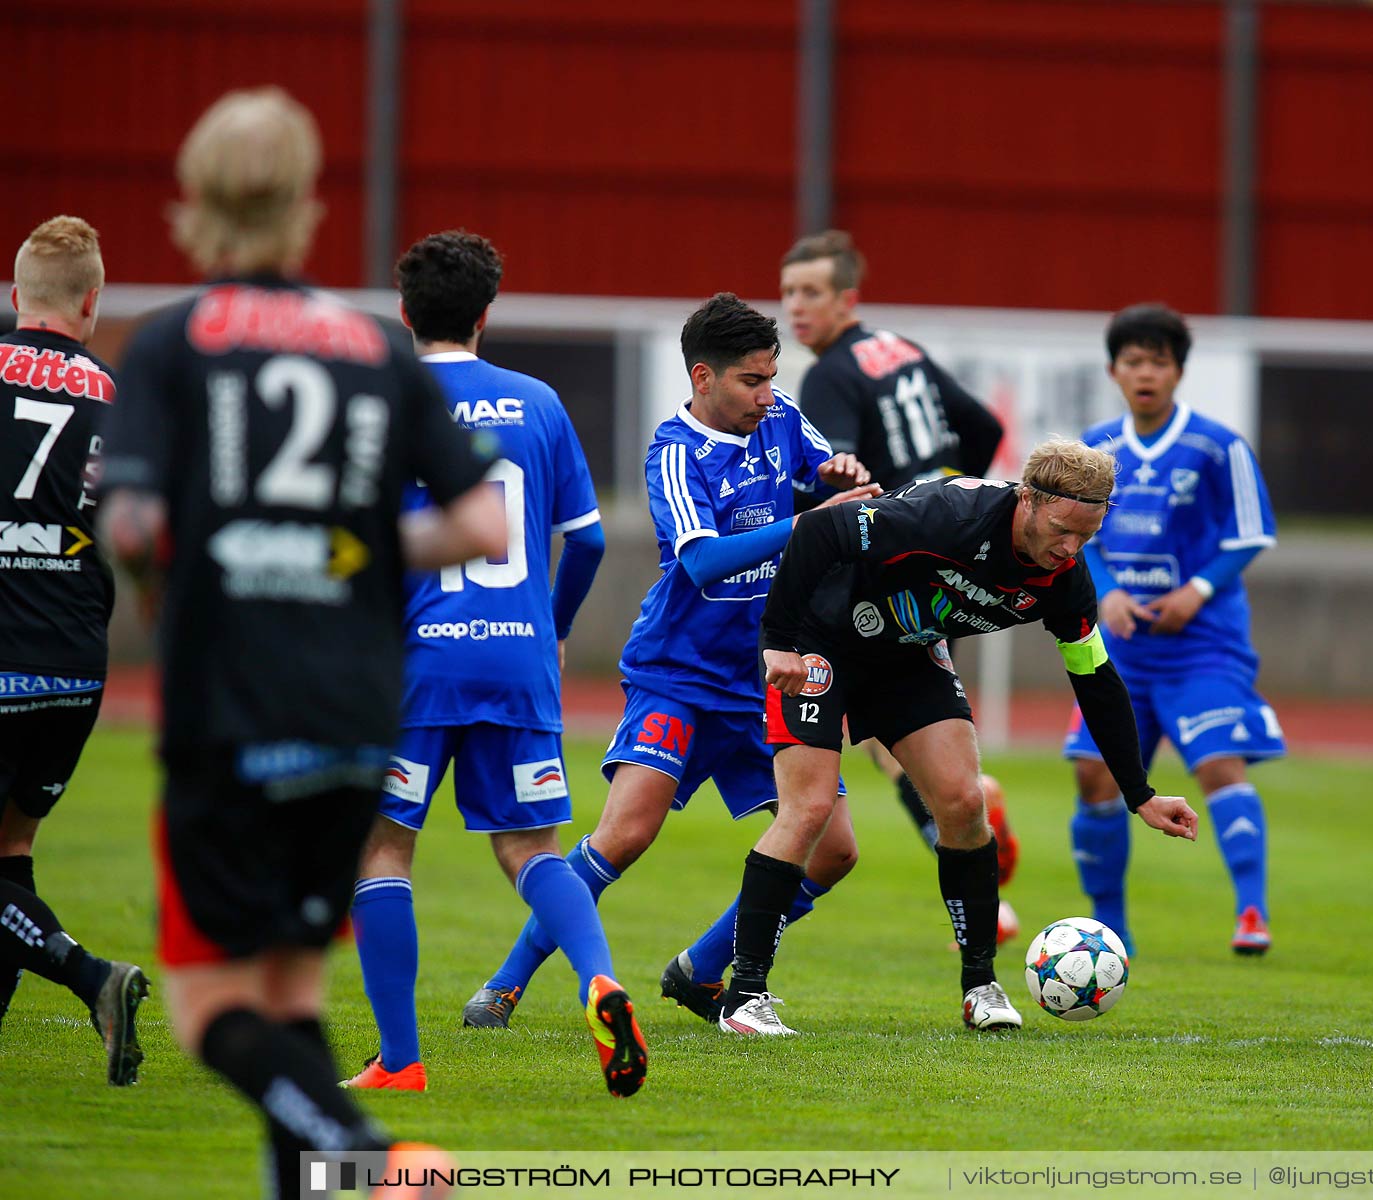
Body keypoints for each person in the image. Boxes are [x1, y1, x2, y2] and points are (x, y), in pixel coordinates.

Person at [98, 87, 506, 1197]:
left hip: (232, 705)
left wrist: (179, 574)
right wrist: (356, 547)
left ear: (193, 200)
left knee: (211, 1012)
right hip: (356, 712)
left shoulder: (173, 344)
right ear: (306, 204)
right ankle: (325, 1175)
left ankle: (371, 1160)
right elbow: (482, 524)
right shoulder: (374, 348)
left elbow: (132, 523)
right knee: (289, 1003)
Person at [460, 293, 874, 1030]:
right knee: (625, 834)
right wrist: (808, 521)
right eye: (752, 380)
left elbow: (828, 474)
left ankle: (701, 969)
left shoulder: (780, 420)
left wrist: (841, 472)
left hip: (765, 674)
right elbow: (706, 565)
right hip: (679, 673)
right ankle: (503, 984)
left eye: (773, 378)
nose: (767, 395)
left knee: (833, 852)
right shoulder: (673, 453)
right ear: (703, 377)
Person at [721, 440, 1200, 1036]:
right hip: (821, 636)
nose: (1070, 550)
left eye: (1086, 537)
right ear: (1027, 499)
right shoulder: (949, 515)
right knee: (810, 808)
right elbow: (822, 532)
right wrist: (778, 640)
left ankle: (981, 986)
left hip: (906, 655)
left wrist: (1140, 793)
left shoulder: (1066, 581)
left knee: (966, 803)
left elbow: (1096, 680)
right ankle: (744, 995)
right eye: (1061, 531)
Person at [344, 229, 644, 1098]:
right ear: (486, 314)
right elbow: (584, 541)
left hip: (414, 666)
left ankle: (400, 1061)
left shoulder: (381, 401)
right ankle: (597, 977)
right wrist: (549, 627)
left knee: (383, 851)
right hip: (516, 659)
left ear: (404, 313)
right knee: (529, 849)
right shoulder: (538, 402)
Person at [778, 229, 1020, 925]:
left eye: (812, 293)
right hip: (950, 554)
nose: (797, 307)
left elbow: (838, 475)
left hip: (891, 563)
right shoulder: (901, 349)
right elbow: (981, 423)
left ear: (846, 299)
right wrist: (951, 488)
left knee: (887, 728)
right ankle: (975, 852)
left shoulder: (828, 374)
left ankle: (983, 892)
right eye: (789, 291)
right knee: (899, 725)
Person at [1062, 304, 1283, 957]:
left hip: (1202, 646)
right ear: (1114, 371)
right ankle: (1111, 928)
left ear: (1178, 371)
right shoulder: (1096, 445)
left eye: (1158, 361)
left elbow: (1251, 533)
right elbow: (1077, 535)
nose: (1145, 373)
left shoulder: (1218, 446)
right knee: (1092, 776)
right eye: (1133, 361)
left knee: (1218, 763)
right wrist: (1106, 593)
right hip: (1123, 650)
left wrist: (1199, 588)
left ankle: (1251, 911)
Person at [0, 215, 148, 1085]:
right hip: (73, 661)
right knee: (11, 850)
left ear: (18, 297)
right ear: (92, 303)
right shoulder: (118, 398)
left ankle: (93, 977)